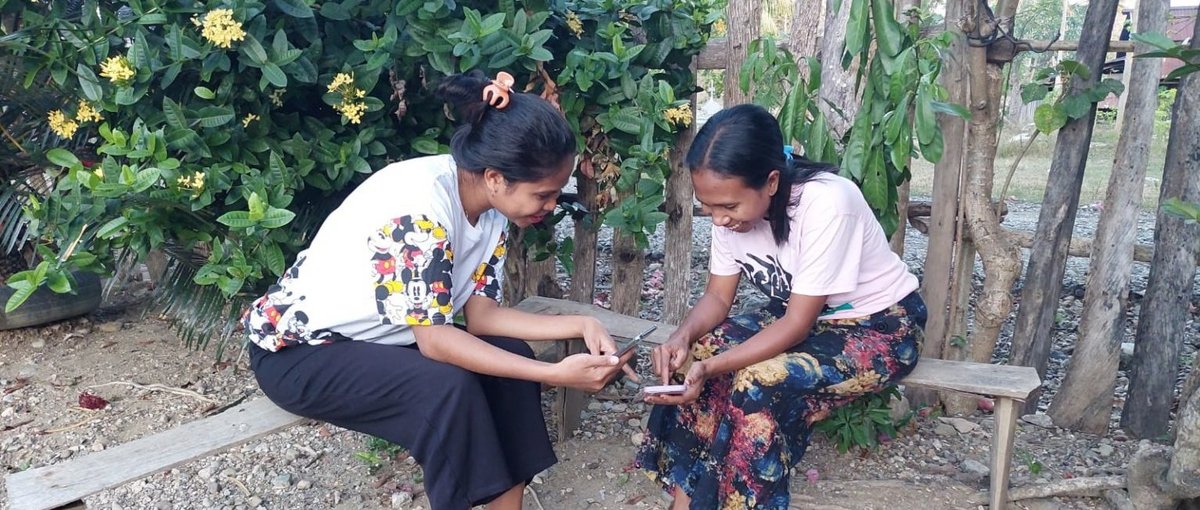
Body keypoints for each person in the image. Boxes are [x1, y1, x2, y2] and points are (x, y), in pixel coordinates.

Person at [243, 70, 635, 510]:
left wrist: (583, 322)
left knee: (512, 360)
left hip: (385, 341)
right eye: (542, 195)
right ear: (494, 177)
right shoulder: (420, 209)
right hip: (300, 354)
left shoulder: (491, 213)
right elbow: (435, 341)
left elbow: (482, 317)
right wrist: (554, 373)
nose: (549, 207)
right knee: (446, 388)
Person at [635, 104, 926, 509]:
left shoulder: (827, 203)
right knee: (701, 350)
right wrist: (682, 337)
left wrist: (715, 368)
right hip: (807, 316)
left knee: (758, 381)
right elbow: (718, 297)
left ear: (771, 181)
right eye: (709, 207)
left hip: (880, 326)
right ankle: (687, 503)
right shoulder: (729, 211)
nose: (718, 220)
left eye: (729, 208)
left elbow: (797, 324)